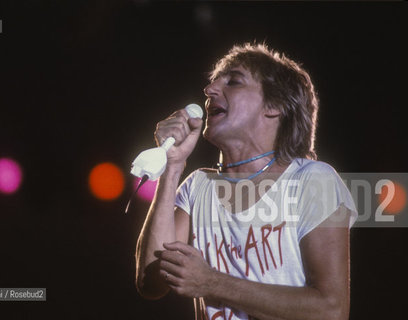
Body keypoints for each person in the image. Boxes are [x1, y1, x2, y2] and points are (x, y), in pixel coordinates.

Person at [135, 42, 357, 320]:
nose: (210, 90)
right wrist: (172, 166)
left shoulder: (313, 180)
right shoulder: (197, 186)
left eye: (234, 82)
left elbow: (331, 310)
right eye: (213, 83)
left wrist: (212, 282)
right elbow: (151, 283)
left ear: (273, 106)